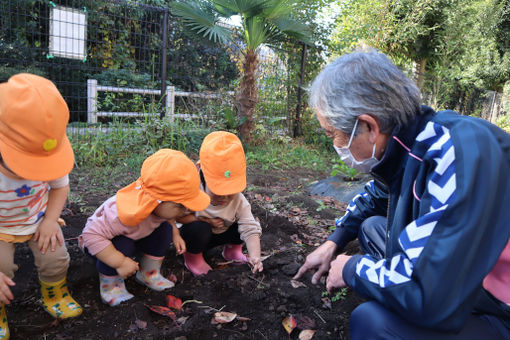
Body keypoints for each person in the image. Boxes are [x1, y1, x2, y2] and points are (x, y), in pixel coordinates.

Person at [293, 50, 510, 339]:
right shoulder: (409, 141)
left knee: (372, 323)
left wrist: (352, 269)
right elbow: (376, 196)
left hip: (495, 305)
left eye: (332, 134)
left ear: (369, 126)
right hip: (462, 272)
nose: (335, 144)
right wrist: (335, 241)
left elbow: (432, 298)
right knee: (371, 228)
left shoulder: (460, 155)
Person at [0, 74, 83, 339]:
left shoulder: (47, 151)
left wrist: (49, 220)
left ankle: (54, 294)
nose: (35, 172)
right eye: (25, 165)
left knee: (56, 256)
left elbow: (59, 186)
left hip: (37, 219)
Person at [79, 149, 210, 306]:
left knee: (165, 230)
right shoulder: (121, 214)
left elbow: (167, 217)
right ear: (157, 200)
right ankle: (111, 287)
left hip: (135, 236)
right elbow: (90, 235)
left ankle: (149, 273)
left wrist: (175, 233)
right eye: (181, 206)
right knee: (123, 244)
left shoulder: (160, 208)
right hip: (101, 247)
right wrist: (119, 262)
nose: (186, 211)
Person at [177, 131, 263, 276]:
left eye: (231, 191)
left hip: (220, 234)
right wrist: (205, 220)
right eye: (218, 190)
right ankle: (193, 259)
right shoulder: (191, 191)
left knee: (245, 220)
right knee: (198, 228)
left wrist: (255, 256)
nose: (225, 196)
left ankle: (233, 250)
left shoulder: (237, 200)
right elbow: (176, 218)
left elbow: (249, 228)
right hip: (192, 240)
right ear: (202, 175)